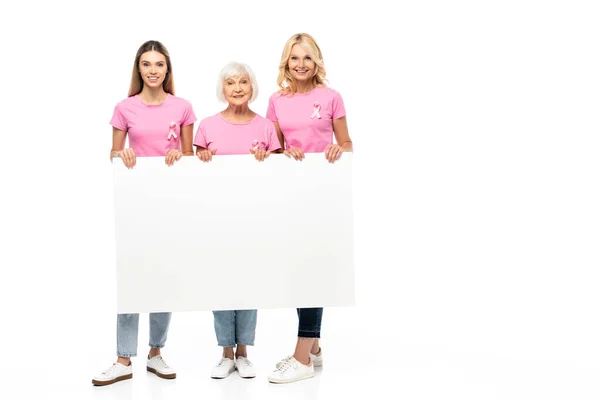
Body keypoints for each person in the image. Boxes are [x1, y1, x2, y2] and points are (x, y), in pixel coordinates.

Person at [92, 40, 197, 386]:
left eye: (159, 64)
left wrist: (179, 157)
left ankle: (156, 352)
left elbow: (188, 157)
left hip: (170, 205)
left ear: (168, 70)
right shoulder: (125, 107)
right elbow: (113, 152)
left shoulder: (182, 107)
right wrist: (120, 155)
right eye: (147, 64)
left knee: (163, 276)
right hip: (136, 205)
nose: (153, 70)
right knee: (132, 277)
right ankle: (123, 358)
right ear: (139, 69)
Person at [265, 33, 353, 384]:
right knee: (298, 270)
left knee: (313, 268)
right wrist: (283, 153)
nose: (301, 64)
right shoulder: (276, 101)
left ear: (317, 61)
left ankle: (301, 354)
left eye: (307, 58)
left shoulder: (331, 97)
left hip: (323, 195)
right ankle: (314, 345)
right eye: (294, 58)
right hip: (290, 195)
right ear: (286, 63)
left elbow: (346, 142)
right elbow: (274, 149)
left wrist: (339, 149)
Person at [194, 61, 281, 379]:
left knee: (248, 280)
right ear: (222, 89)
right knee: (220, 281)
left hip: (255, 218)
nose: (238, 87)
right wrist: (200, 157)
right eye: (231, 82)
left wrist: (268, 159)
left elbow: (280, 174)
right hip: (215, 218)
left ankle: (243, 352)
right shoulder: (205, 126)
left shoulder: (266, 127)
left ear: (253, 87)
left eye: (244, 81)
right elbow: (194, 176)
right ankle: (225, 353)